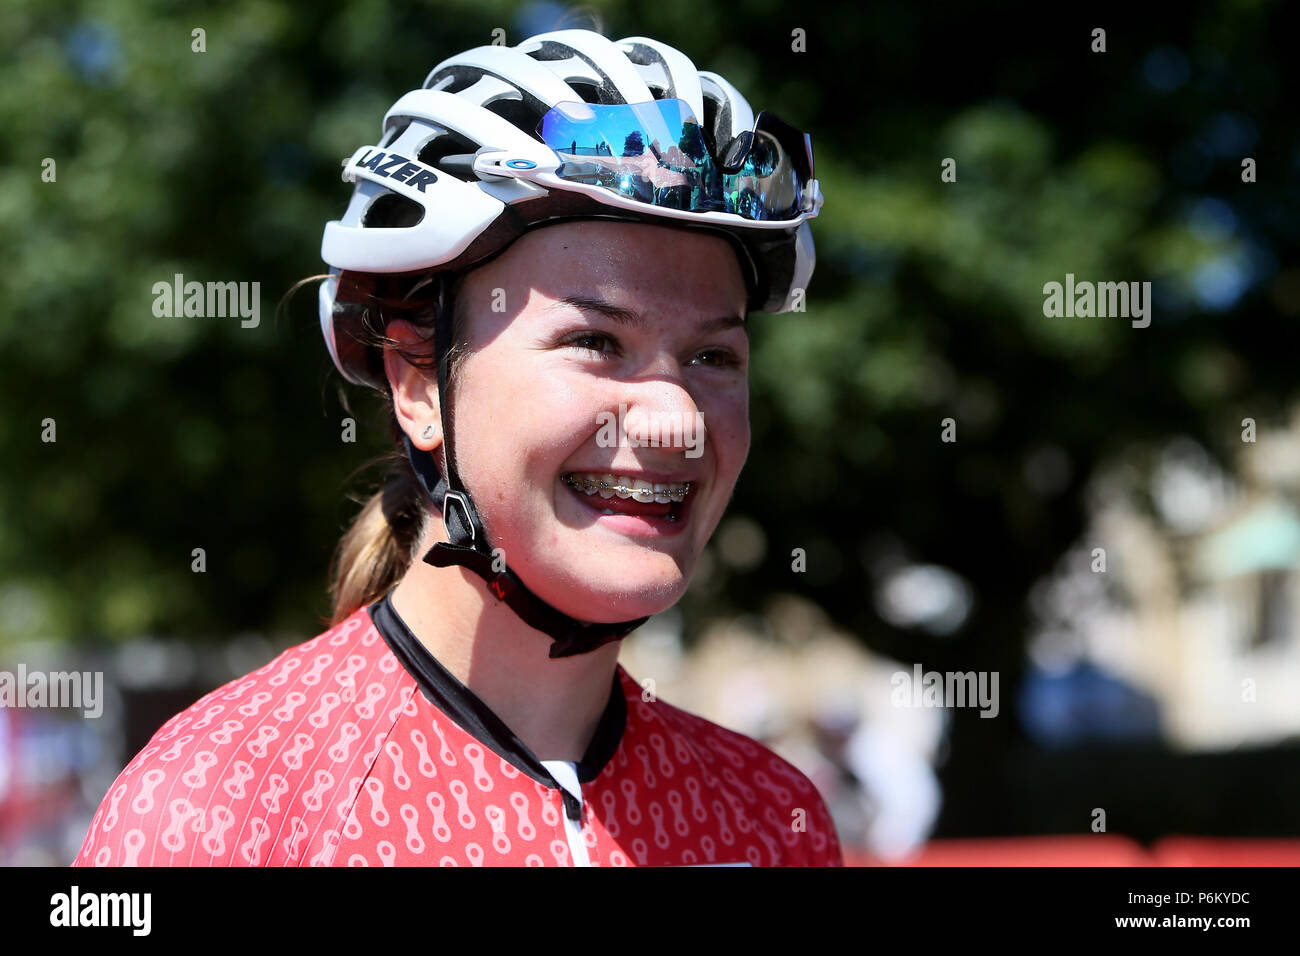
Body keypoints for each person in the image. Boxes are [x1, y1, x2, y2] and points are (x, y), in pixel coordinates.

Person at [73, 28, 838, 867]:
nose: (674, 420)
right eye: (595, 341)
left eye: (712, 357)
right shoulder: (215, 813)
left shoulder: (771, 818)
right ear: (416, 384)